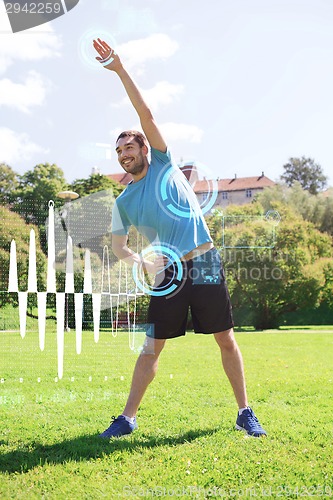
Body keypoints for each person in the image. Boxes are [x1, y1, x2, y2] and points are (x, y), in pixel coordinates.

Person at [93, 38, 266, 438]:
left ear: (145, 150)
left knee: (225, 338)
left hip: (204, 260)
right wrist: (142, 261)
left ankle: (244, 411)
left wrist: (120, 69)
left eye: (129, 147)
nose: (123, 154)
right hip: (167, 273)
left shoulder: (164, 164)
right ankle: (127, 418)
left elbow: (145, 112)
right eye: (118, 150)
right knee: (152, 346)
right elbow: (120, 248)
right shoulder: (124, 201)